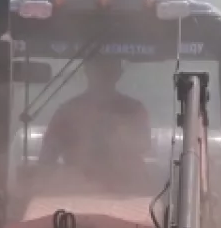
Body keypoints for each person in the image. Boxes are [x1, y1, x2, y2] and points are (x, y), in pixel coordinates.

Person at [38, 56, 153, 190]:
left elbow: (144, 144)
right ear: (87, 71)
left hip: (128, 193)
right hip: (77, 192)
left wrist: (118, 134)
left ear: (118, 74)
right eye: (100, 69)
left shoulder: (133, 110)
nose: (103, 75)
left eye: (109, 70)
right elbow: (47, 157)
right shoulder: (67, 112)